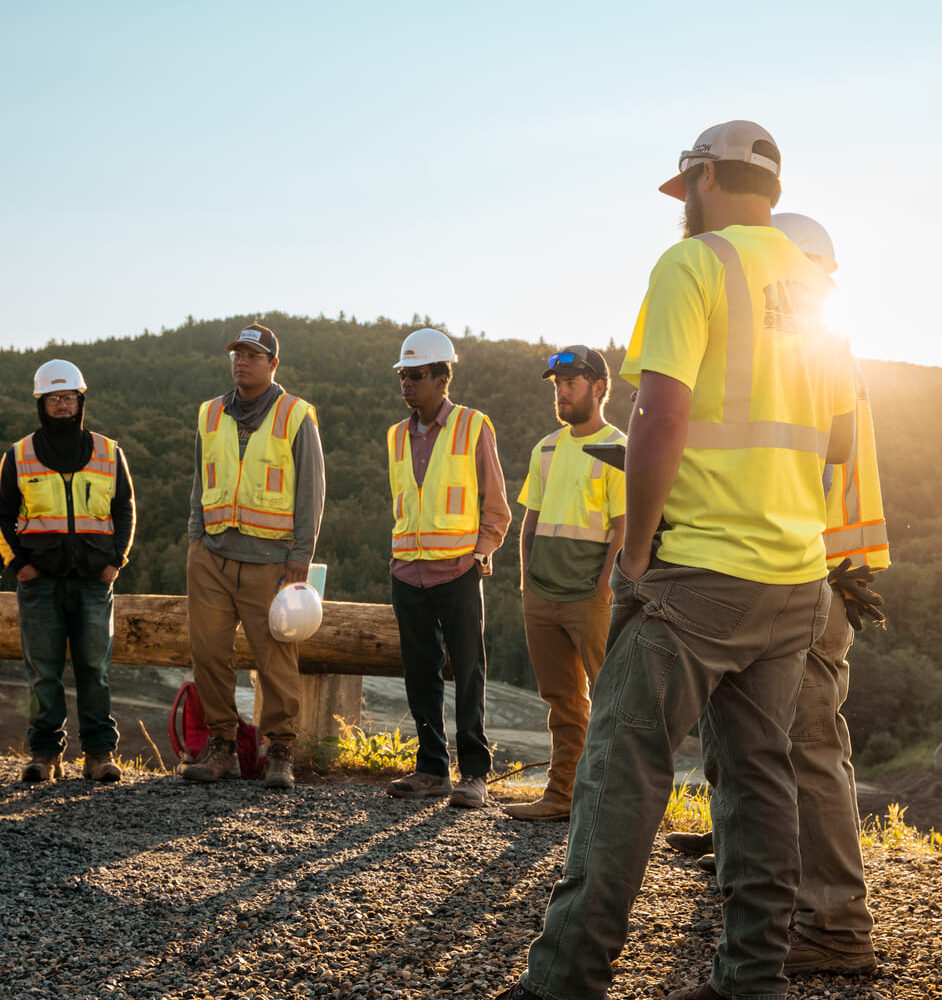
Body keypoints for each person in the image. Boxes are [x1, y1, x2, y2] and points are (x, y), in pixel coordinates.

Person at [496, 120, 857, 1000]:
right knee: (758, 777)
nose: (680, 205)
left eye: (683, 186)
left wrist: (641, 548)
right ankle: (752, 979)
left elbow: (658, 417)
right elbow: (840, 440)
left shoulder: (693, 266)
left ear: (701, 176)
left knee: (621, 769)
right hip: (795, 576)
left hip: (698, 575)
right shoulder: (813, 286)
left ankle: (564, 981)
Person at [666, 212, 888, 976]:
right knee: (766, 744)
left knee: (807, 748)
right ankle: (757, 875)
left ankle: (833, 926)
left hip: (814, 572)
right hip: (806, 567)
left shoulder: (815, 350)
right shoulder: (816, 348)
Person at [183, 323, 324, 790]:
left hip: (272, 562)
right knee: (208, 653)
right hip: (212, 555)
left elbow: (311, 492)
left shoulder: (296, 415)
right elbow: (200, 483)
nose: (241, 361)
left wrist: (300, 555)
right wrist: (196, 539)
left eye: (252, 355)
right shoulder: (209, 414)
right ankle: (222, 745)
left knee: (276, 657)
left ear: (273, 364)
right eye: (236, 355)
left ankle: (280, 750)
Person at [385, 328, 511, 809]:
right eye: (403, 375)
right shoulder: (396, 436)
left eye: (416, 375)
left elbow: (496, 507)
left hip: (458, 573)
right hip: (408, 575)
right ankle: (432, 770)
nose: (406, 383)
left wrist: (478, 555)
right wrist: (398, 559)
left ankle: (475, 773)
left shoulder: (473, 426)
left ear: (442, 377)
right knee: (420, 674)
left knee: (469, 672)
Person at [504, 346, 625, 822]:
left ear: (598, 388)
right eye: (557, 385)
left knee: (612, 702)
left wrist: (602, 589)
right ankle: (560, 797)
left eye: (571, 384)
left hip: (591, 598)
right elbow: (528, 522)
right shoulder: (546, 448)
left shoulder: (619, 448)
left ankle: (609, 806)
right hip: (542, 594)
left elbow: (624, 528)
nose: (562, 393)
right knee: (563, 704)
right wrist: (526, 583)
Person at [0, 359, 136, 783]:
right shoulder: (18, 455)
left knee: (94, 670)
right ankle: (44, 755)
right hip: (38, 583)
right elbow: (2, 515)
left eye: (70, 398)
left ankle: (98, 754)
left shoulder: (108, 451)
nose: (63, 405)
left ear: (81, 401)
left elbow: (125, 508)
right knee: (43, 672)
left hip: (94, 581)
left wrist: (117, 561)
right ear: (41, 402)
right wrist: (17, 564)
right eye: (55, 398)